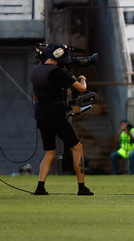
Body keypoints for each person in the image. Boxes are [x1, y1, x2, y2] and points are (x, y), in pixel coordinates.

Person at [31, 44, 94, 196]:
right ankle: (81, 187)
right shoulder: (57, 72)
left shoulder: (36, 70)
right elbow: (81, 88)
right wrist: (82, 78)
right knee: (77, 148)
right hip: (56, 115)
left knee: (49, 153)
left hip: (41, 114)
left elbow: (35, 95)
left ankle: (40, 187)